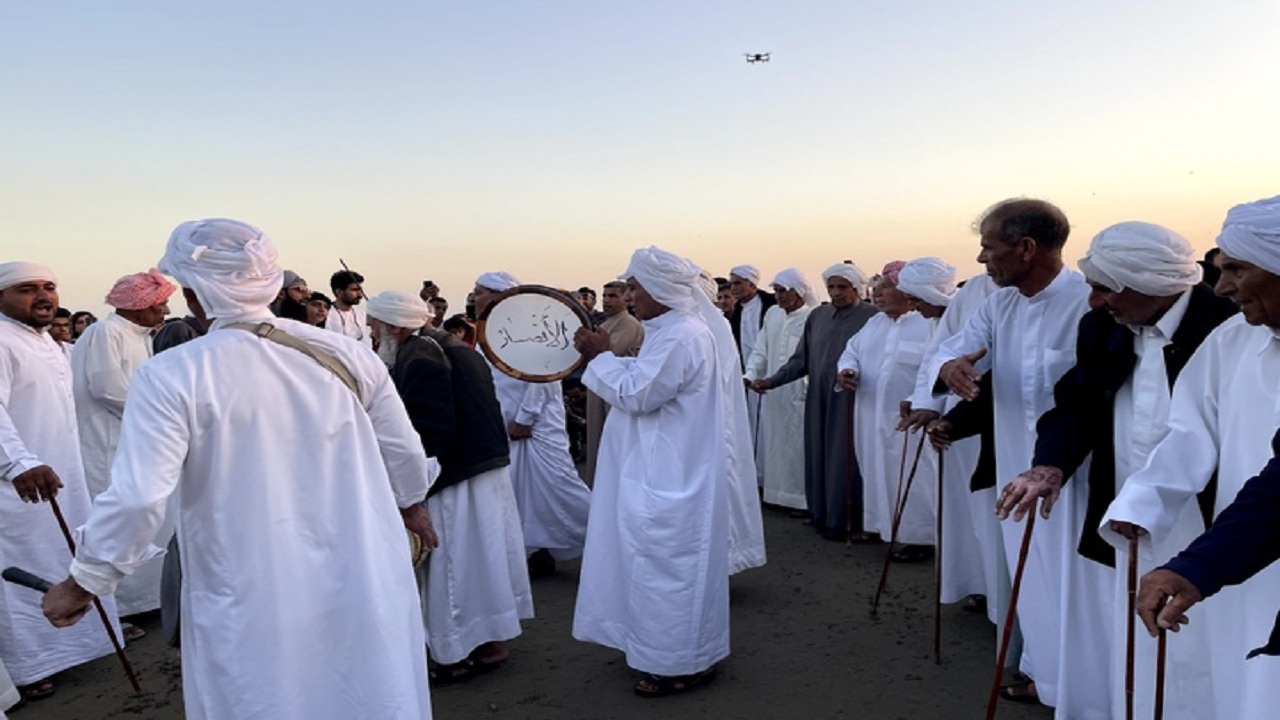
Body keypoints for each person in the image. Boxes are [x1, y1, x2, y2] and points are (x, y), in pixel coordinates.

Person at [40, 219, 437, 720]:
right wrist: (413, 509)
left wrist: (85, 580)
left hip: (250, 584)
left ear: (192, 294)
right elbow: (403, 453)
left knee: (264, 694)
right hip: (362, 564)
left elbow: (141, 498)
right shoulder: (349, 353)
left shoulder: (172, 373)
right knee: (366, 687)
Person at [992, 222, 1235, 718]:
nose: (1094, 301)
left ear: (1149, 284)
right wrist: (1050, 465)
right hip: (1123, 508)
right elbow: (1077, 402)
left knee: (1205, 637)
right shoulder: (1102, 328)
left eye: (1105, 288)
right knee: (1130, 628)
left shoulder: (1226, 327)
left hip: (1208, 515)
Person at [1098, 196, 1280, 719]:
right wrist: (1141, 504)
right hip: (1239, 553)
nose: (1220, 287)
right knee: (1247, 677)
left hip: (1238, 543)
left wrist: (1199, 564)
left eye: (1237, 270)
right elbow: (1188, 436)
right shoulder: (1230, 341)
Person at [925, 198, 1090, 708]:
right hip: (1015, 470)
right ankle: (1046, 677)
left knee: (1077, 585)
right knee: (1032, 577)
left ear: (1025, 248)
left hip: (1078, 474)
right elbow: (954, 345)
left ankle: (1085, 688)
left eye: (988, 248)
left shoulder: (1089, 301)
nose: (981, 260)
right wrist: (950, 366)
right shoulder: (999, 304)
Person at [571, 246, 736, 697]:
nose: (629, 296)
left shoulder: (683, 334)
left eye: (636, 288)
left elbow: (641, 394)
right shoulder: (667, 332)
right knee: (648, 567)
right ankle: (655, 651)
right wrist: (609, 360)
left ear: (661, 289)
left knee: (668, 569)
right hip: (653, 472)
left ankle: (683, 662)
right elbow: (646, 380)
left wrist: (600, 357)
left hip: (672, 477)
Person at [366, 291, 532, 684]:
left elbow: (432, 429)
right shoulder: (448, 345)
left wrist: (414, 485)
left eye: (375, 324)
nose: (371, 331)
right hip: (481, 467)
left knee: (452, 565)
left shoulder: (421, 354)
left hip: (453, 473)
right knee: (481, 560)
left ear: (395, 325)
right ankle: (490, 643)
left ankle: (454, 653)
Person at [0, 262, 121, 703]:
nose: (42, 296)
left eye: (48, 287)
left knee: (67, 550)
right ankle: (24, 666)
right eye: (26, 289)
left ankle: (70, 648)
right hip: (16, 483)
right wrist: (17, 463)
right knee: (19, 568)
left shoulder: (46, 342)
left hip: (57, 472)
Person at [71, 268, 177, 620]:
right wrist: (159, 416)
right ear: (137, 305)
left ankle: (150, 602)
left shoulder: (140, 334)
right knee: (122, 522)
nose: (165, 311)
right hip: (109, 443)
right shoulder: (106, 332)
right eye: (159, 304)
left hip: (138, 438)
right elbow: (107, 389)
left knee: (153, 521)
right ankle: (125, 610)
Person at [473, 272, 592, 575]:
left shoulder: (534, 325)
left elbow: (544, 375)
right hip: (506, 426)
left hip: (537, 427)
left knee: (560, 487)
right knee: (517, 492)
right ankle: (535, 551)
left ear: (500, 296)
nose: (475, 298)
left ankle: (608, 536)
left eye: (481, 292)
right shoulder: (488, 330)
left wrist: (525, 419)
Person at [751, 263, 877, 540]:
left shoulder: (872, 317)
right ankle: (822, 514)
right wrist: (771, 381)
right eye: (831, 287)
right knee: (818, 455)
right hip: (818, 399)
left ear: (856, 288)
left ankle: (852, 521)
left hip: (852, 400)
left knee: (846, 459)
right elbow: (801, 360)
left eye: (842, 287)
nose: (836, 293)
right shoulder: (818, 316)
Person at [904, 269, 1000, 617]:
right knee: (970, 513)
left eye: (990, 247)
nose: (981, 258)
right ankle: (982, 586)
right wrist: (925, 404)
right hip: (959, 423)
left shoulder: (1072, 294)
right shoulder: (974, 292)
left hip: (1017, 431)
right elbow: (941, 354)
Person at [745, 268, 818, 511]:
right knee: (776, 443)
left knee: (798, 445)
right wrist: (751, 374)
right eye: (776, 291)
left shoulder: (812, 317)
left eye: (784, 291)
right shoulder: (773, 315)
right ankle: (777, 496)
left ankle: (801, 500)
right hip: (773, 390)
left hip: (801, 391)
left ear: (798, 292)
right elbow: (761, 348)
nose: (779, 296)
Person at [583, 280, 645, 485]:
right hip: (598, 393)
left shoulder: (629, 324)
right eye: (605, 296)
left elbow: (609, 352)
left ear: (626, 299)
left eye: (613, 296)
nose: (607, 301)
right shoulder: (604, 325)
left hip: (615, 397)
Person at [326, 268, 369, 347]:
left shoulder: (362, 315)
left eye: (360, 290)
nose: (360, 295)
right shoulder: (325, 315)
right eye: (355, 290)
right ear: (339, 292)